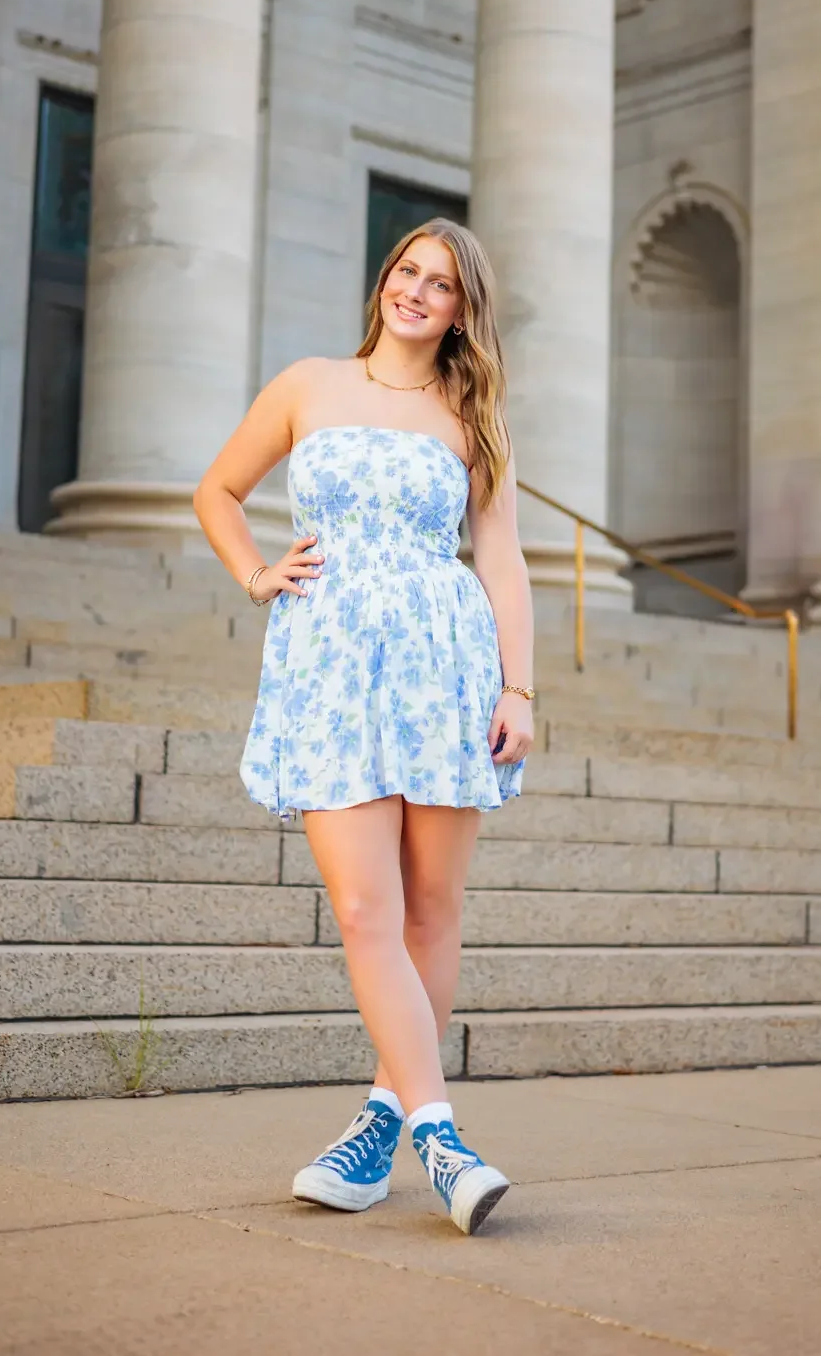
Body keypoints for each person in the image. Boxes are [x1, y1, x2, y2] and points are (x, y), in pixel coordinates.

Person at [193, 219, 535, 1236]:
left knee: (429, 909)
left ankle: (377, 1125)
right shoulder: (306, 383)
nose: (416, 292)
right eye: (405, 272)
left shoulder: (470, 416)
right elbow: (216, 488)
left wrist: (518, 690)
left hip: (442, 666)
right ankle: (440, 1136)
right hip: (331, 668)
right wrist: (256, 571)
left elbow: (502, 558)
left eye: (439, 284)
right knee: (361, 910)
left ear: (461, 310)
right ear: (382, 280)